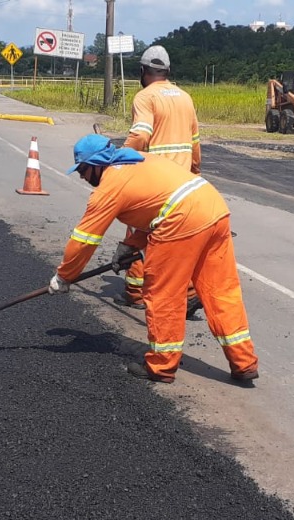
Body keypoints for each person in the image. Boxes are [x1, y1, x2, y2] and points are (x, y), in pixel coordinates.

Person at [50, 135, 259, 385]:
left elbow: (84, 240)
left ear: (97, 164)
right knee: (221, 291)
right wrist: (129, 246)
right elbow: (158, 203)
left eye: (83, 170)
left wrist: (64, 276)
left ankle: (161, 366)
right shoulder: (138, 160)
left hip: (182, 220)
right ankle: (244, 363)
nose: (82, 177)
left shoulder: (109, 186)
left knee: (164, 295)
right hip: (213, 209)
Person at [115, 45, 203, 318]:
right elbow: (195, 142)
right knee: (181, 240)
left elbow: (141, 135)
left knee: (138, 235)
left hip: (155, 182)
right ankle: (189, 293)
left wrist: (120, 158)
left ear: (142, 71)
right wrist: (195, 172)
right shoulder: (185, 97)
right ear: (167, 71)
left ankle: (135, 293)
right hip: (183, 183)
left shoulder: (145, 97)